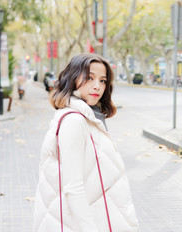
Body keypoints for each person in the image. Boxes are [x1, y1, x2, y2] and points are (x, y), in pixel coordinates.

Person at [34, 53, 139, 232]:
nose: (97, 86)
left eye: (103, 80)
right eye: (89, 78)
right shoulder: (74, 121)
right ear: (73, 78)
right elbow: (72, 187)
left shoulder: (89, 118)